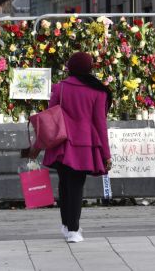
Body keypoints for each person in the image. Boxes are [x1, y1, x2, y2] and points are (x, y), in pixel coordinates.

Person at [42, 51, 113, 243]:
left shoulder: (59, 88)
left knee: (65, 185)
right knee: (76, 187)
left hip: (61, 143)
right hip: (84, 146)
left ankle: (67, 225)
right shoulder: (97, 91)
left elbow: (50, 114)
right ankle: (73, 229)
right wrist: (106, 154)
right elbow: (100, 124)